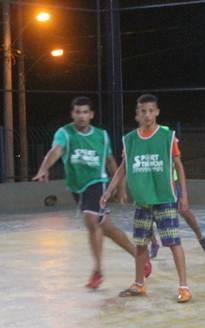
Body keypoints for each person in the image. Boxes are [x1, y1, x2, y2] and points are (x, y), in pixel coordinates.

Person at [33, 96, 138, 290]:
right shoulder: (65, 133)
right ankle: (139, 256)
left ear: (91, 115)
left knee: (91, 220)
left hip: (97, 182)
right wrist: (44, 168)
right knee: (105, 227)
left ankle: (97, 271)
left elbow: (110, 162)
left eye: (85, 112)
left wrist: (121, 187)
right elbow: (56, 151)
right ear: (72, 114)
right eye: (77, 112)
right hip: (77, 187)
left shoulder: (101, 136)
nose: (81, 116)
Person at [101, 94, 192, 303]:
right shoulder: (130, 139)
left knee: (173, 241)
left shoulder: (167, 137)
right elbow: (123, 168)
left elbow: (178, 165)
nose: (148, 115)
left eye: (151, 111)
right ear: (137, 115)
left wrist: (183, 195)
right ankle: (139, 283)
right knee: (141, 244)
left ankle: (184, 287)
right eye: (143, 111)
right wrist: (109, 191)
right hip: (142, 200)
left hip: (165, 198)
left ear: (157, 112)